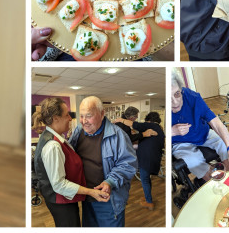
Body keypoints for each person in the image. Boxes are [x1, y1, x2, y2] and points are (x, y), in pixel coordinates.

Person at [33, 97, 109, 227]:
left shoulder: (55, 137)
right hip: (60, 202)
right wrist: (91, 191)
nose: (70, 118)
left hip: (64, 199)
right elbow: (59, 185)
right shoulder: (53, 145)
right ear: (56, 118)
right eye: (67, 115)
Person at [171, 71, 229, 184]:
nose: (174, 102)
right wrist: (172, 132)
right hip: (180, 142)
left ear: (181, 90)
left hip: (203, 133)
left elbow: (217, 124)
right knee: (193, 161)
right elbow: (159, 135)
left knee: (225, 145)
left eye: (177, 94)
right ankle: (218, 184)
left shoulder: (193, 97)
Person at [67, 96, 136, 227]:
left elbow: (128, 164)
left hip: (108, 200)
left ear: (102, 114)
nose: (84, 121)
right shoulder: (79, 131)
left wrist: (110, 182)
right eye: (81, 116)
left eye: (89, 116)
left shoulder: (118, 135)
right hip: (86, 197)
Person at [116, 111, 164, 210]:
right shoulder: (160, 129)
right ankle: (148, 198)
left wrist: (120, 120)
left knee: (145, 180)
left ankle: (149, 202)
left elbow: (134, 124)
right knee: (147, 179)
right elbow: (148, 143)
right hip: (154, 159)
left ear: (149, 120)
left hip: (146, 159)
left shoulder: (151, 125)